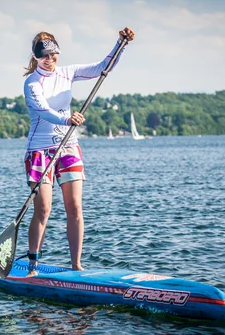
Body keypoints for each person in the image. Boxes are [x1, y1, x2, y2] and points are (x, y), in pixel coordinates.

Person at [22, 27, 135, 277]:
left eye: (53, 55)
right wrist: (66, 121)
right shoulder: (31, 83)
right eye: (44, 57)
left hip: (69, 147)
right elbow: (42, 110)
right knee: (43, 210)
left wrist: (121, 44)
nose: (50, 61)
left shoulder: (67, 73)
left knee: (74, 208)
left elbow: (101, 67)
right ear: (36, 57)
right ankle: (32, 267)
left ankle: (76, 266)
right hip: (41, 151)